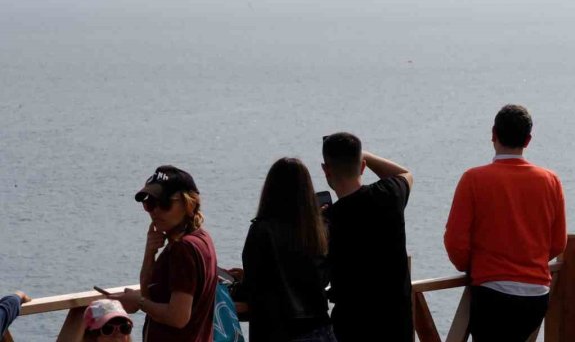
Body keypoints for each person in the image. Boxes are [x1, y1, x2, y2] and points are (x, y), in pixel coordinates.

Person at [444, 104, 567, 342]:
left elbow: (455, 242)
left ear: (493, 134)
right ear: (528, 140)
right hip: (536, 296)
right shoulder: (551, 180)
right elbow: (557, 243)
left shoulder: (473, 179)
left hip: (492, 293)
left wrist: (471, 267)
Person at [321, 133, 414, 342]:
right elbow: (405, 173)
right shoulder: (389, 195)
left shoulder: (327, 222)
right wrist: (367, 156)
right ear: (362, 166)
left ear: (326, 170)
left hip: (351, 328)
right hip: (396, 326)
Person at [110, 165, 218, 342]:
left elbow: (178, 317)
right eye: (150, 203)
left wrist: (139, 302)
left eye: (165, 203)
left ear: (189, 204)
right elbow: (149, 294)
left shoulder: (183, 249)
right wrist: (150, 253)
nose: (155, 211)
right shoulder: (202, 239)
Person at [236, 157, 335, 342]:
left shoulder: (261, 230)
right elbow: (320, 278)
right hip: (319, 330)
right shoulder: (318, 231)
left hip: (277, 332)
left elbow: (256, 290)